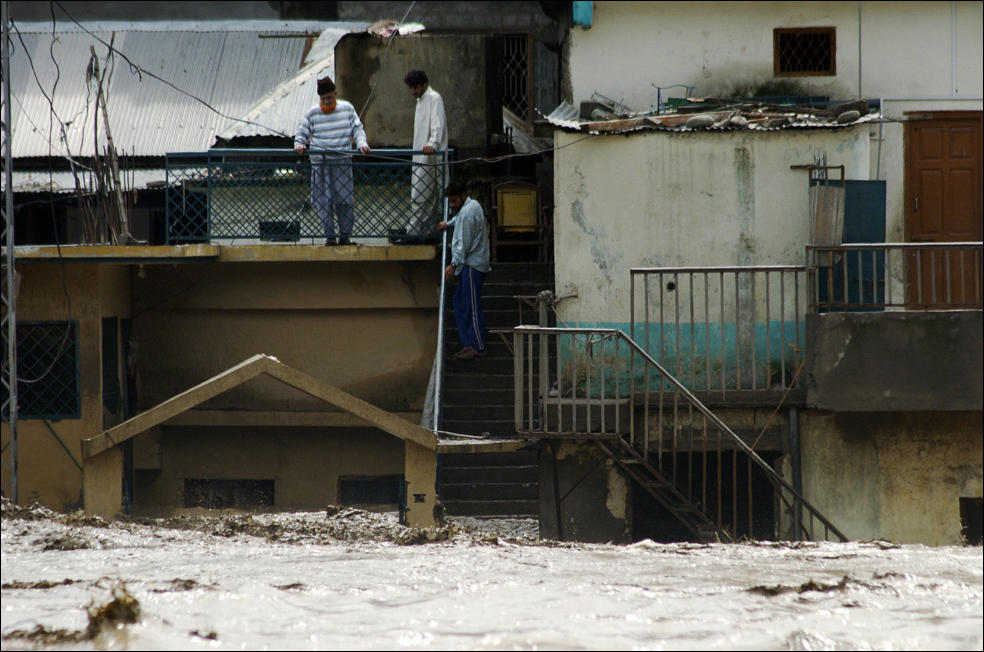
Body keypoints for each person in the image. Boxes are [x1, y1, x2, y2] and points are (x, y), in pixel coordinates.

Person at [294, 76, 371, 246]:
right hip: (320, 164)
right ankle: (330, 237)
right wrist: (299, 144)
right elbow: (301, 133)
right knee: (323, 201)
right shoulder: (312, 113)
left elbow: (357, 129)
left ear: (335, 94)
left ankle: (345, 236)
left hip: (342, 162)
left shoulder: (347, 109)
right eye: (323, 99)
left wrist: (362, 144)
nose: (327, 101)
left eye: (329, 97)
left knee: (345, 200)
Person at [393, 70, 448, 244]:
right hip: (420, 155)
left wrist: (433, 144)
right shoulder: (421, 100)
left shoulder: (434, 98)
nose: (413, 92)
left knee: (421, 194)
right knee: (425, 195)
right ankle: (422, 230)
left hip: (430, 155)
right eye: (411, 88)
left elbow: (437, 125)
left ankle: (415, 231)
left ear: (425, 84)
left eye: (416, 87)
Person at [438, 182, 491, 360]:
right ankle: (468, 343)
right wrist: (449, 223)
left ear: (462, 195)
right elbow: (460, 219)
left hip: (472, 266)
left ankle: (478, 345)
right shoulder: (471, 206)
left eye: (454, 201)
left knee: (471, 306)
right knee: (460, 302)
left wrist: (453, 265)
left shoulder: (468, 212)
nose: (452, 205)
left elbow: (464, 243)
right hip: (471, 265)